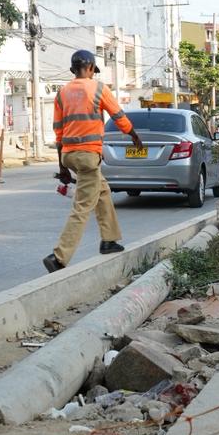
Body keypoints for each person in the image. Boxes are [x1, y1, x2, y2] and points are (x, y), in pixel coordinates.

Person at [42, 50, 143, 272]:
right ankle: (59, 256)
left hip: (69, 154)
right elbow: (118, 116)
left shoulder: (62, 93)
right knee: (82, 207)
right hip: (88, 155)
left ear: (72, 70)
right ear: (90, 69)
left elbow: (58, 132)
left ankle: (109, 240)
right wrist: (134, 136)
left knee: (103, 192)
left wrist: (62, 167)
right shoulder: (99, 89)